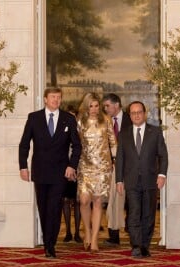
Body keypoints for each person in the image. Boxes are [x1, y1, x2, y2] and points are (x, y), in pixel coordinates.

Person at [19, 87, 82, 258]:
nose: (56, 100)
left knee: (54, 208)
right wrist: (23, 167)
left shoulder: (68, 119)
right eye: (52, 97)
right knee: (43, 207)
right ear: (45, 99)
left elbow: (77, 146)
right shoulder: (34, 118)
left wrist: (72, 166)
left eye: (58, 97)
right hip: (40, 171)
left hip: (60, 172)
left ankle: (50, 244)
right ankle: (48, 240)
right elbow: (24, 144)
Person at [115, 101, 168, 258]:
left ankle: (145, 244)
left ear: (144, 114)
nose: (136, 115)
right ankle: (136, 245)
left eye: (139, 112)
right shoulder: (124, 134)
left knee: (148, 214)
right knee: (134, 213)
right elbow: (120, 158)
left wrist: (162, 175)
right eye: (133, 113)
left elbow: (163, 155)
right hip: (131, 180)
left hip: (150, 179)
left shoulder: (155, 132)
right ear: (129, 115)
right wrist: (119, 180)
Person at [77, 92, 117, 253]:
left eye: (96, 105)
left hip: (102, 168)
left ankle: (94, 239)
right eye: (91, 106)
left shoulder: (105, 120)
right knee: (84, 201)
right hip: (85, 166)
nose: (94, 109)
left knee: (98, 202)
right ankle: (87, 230)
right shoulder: (80, 121)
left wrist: (115, 161)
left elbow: (113, 142)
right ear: (86, 106)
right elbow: (75, 143)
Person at [102, 93, 132, 246]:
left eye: (107, 105)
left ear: (116, 105)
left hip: (129, 168)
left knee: (130, 202)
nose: (105, 109)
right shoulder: (104, 121)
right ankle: (114, 237)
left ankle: (133, 234)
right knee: (112, 202)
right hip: (109, 167)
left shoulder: (130, 119)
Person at [62, 105, 82, 243]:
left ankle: (77, 233)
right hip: (64, 170)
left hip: (80, 169)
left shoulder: (81, 131)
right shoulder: (62, 130)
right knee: (65, 201)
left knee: (78, 202)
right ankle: (68, 231)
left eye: (73, 116)